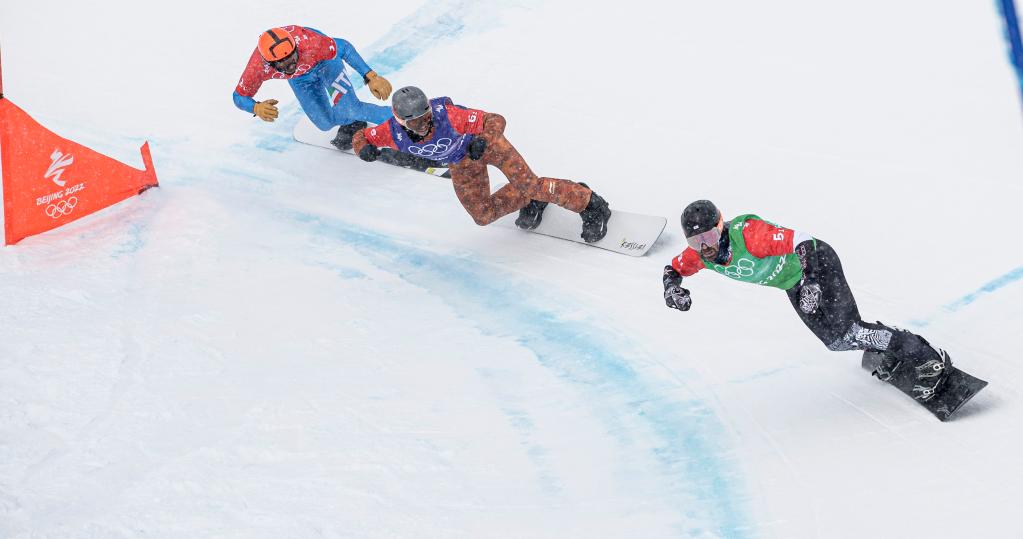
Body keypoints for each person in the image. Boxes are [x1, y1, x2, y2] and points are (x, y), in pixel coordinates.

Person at [661, 200, 953, 402]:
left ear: (721, 226)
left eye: (710, 237)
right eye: (696, 242)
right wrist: (671, 289)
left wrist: (812, 279)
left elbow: (802, 239)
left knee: (851, 331)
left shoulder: (749, 235)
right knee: (836, 342)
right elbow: (672, 269)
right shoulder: (699, 256)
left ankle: (928, 358)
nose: (706, 248)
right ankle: (888, 343)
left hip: (817, 264)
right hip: (794, 283)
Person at [352, 86, 612, 242]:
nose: (424, 125)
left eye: (426, 116)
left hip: (487, 145)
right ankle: (529, 199)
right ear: (400, 121)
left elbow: (495, 119)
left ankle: (589, 202)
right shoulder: (390, 133)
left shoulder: (449, 116)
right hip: (461, 163)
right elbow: (361, 136)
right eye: (415, 122)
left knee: (530, 184)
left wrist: (484, 139)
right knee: (483, 215)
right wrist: (362, 148)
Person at [233, 26, 393, 150]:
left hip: (325, 63)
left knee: (350, 109)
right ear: (269, 64)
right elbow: (238, 96)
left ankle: (401, 120)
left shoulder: (311, 43)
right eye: (283, 63)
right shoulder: (258, 67)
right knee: (325, 123)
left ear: (296, 48)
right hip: (300, 80)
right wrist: (255, 107)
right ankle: (353, 121)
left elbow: (344, 48)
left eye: (292, 57)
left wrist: (371, 76)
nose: (291, 65)